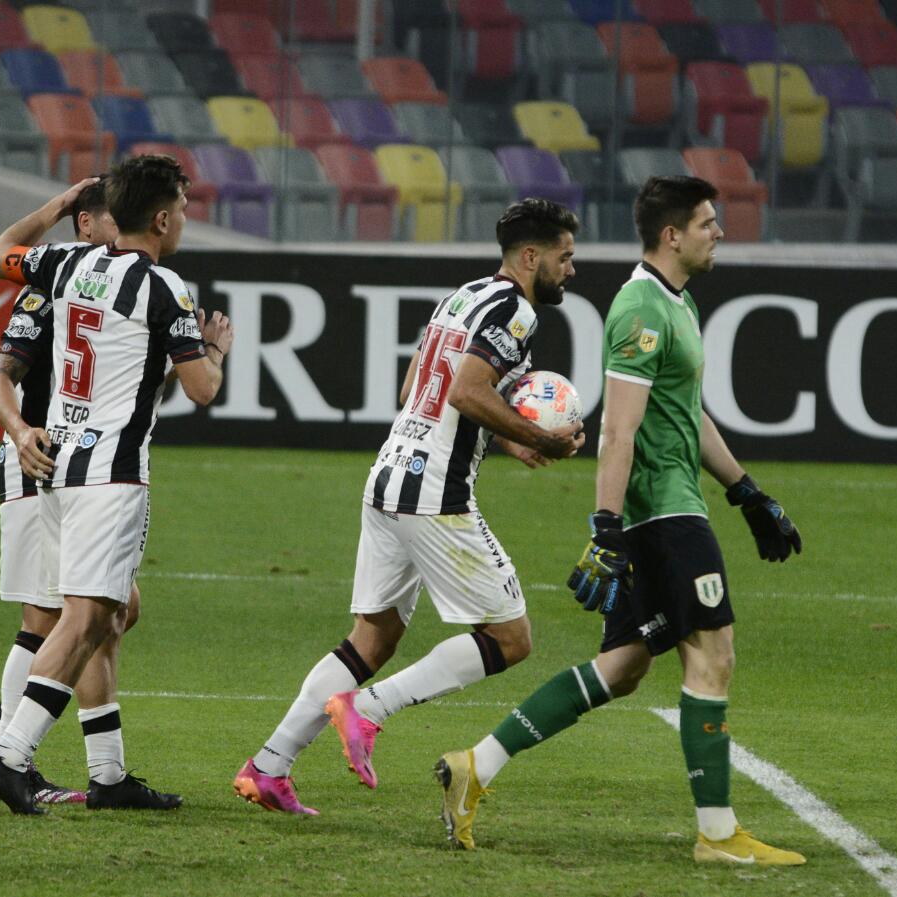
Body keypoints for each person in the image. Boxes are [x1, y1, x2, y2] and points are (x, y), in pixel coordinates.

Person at [434, 176, 807, 866]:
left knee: (624, 665)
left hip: (674, 506)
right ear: (672, 235)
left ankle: (475, 764)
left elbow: (686, 413)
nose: (717, 233)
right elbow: (618, 429)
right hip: (663, 514)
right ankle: (718, 833)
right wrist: (606, 526)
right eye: (707, 223)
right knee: (713, 655)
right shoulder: (640, 309)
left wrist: (746, 492)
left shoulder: (677, 302)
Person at [233, 198, 585, 815]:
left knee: (372, 639)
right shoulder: (516, 310)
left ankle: (268, 767)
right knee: (510, 639)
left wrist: (507, 439)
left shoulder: (462, 297)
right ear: (532, 257)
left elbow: (414, 389)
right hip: (434, 494)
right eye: (565, 256)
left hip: (390, 476)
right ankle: (368, 710)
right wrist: (541, 436)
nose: (571, 269)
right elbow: (467, 390)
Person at [0, 154, 234, 815]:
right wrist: (214, 350)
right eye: (183, 209)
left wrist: (58, 207)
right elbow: (202, 389)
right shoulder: (166, 288)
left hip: (60, 467)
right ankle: (10, 756)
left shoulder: (66, 265)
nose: (185, 220)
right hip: (110, 475)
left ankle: (109, 775)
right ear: (163, 219)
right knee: (82, 616)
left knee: (112, 614)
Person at [0, 176, 138, 806]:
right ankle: (12, 755)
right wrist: (19, 433)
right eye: (112, 219)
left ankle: (28, 731)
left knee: (113, 609)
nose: (124, 230)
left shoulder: (121, 289)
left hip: (81, 469)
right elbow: (0, 368)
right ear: (86, 225)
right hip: (38, 460)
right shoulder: (50, 285)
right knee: (51, 616)